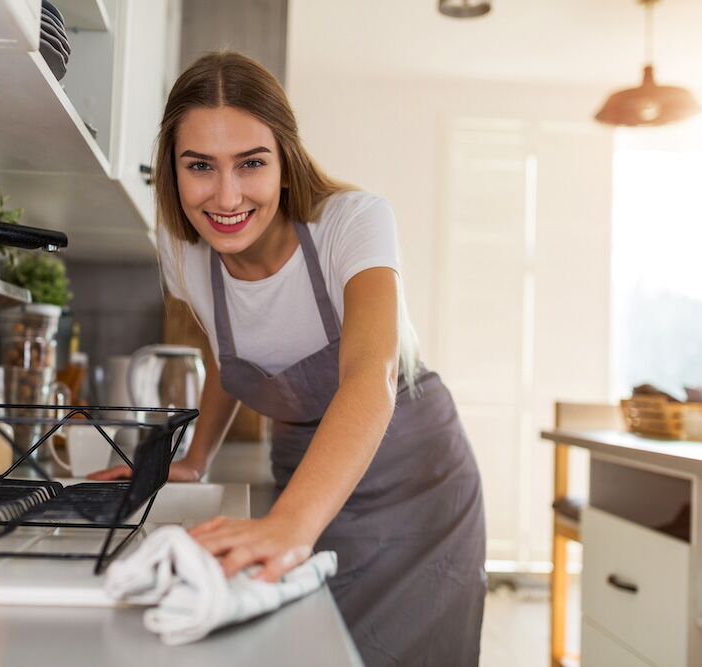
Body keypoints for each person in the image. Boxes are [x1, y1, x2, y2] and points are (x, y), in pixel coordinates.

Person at [90, 51, 486, 666]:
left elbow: (370, 374)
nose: (226, 196)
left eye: (251, 164)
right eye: (200, 166)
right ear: (172, 168)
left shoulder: (351, 224)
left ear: (285, 159)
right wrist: (195, 460)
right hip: (304, 470)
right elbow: (230, 355)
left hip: (416, 480)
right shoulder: (182, 249)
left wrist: (291, 525)